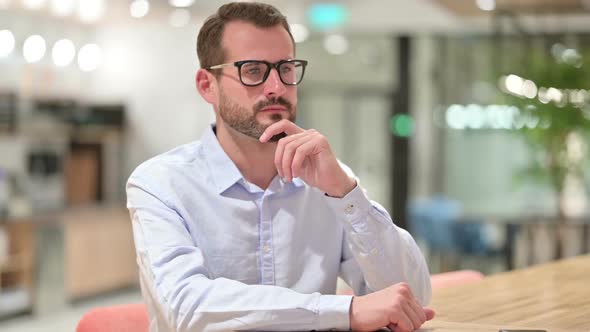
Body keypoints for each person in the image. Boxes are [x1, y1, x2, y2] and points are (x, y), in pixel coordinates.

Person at [126, 2, 434, 331]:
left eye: (285, 69)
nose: (276, 87)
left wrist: (346, 193)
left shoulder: (327, 180)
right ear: (207, 86)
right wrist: (344, 311)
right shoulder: (161, 183)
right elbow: (187, 308)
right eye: (254, 71)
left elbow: (412, 297)